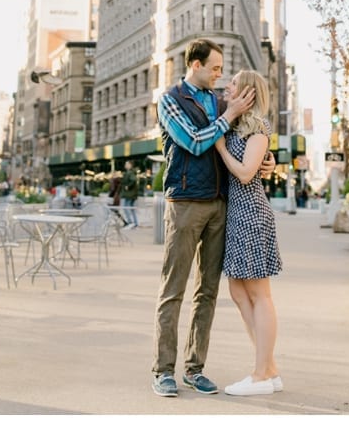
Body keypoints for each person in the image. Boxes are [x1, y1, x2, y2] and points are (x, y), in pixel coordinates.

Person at [151, 38, 273, 398]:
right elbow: (195, 142)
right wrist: (227, 117)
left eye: (223, 70)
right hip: (186, 202)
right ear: (196, 65)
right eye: (216, 68)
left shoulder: (223, 102)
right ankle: (162, 370)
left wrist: (268, 159)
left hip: (221, 205)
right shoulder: (171, 100)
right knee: (173, 289)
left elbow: (250, 137)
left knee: (208, 292)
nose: (221, 76)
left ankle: (195, 368)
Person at [214, 69, 285, 396]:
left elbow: (244, 174)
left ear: (247, 92)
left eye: (233, 83)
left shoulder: (258, 128)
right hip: (236, 217)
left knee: (259, 295)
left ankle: (261, 375)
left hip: (252, 214)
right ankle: (269, 368)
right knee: (239, 293)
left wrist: (221, 148)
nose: (227, 86)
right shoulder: (233, 124)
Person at [119, 160, 143, 227]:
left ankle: (130, 222)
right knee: (131, 208)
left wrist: (128, 186)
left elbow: (133, 180)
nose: (125, 165)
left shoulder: (130, 173)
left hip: (129, 194)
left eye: (126, 164)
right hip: (130, 194)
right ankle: (134, 223)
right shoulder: (131, 172)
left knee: (126, 208)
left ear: (130, 165)